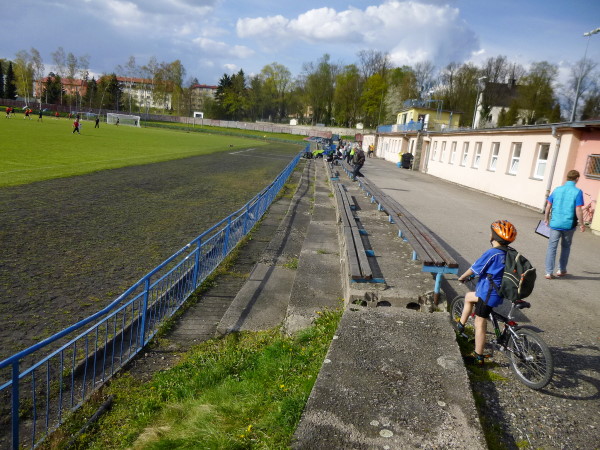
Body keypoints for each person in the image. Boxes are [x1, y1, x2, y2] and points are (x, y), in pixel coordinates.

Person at [456, 220, 517, 365]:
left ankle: (478, 356)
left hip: (488, 294)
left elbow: (474, 268)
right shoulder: (512, 253)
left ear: (493, 237)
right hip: (501, 291)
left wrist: (462, 277)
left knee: (480, 322)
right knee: (469, 297)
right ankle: (460, 325)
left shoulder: (492, 253)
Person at [543, 169, 585, 279]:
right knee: (566, 247)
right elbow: (578, 210)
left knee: (552, 247)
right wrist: (582, 224)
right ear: (576, 179)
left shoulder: (557, 190)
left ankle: (548, 272)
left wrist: (546, 218)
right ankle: (561, 270)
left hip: (555, 223)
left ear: (567, 178)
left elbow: (548, 206)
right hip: (568, 225)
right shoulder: (577, 192)